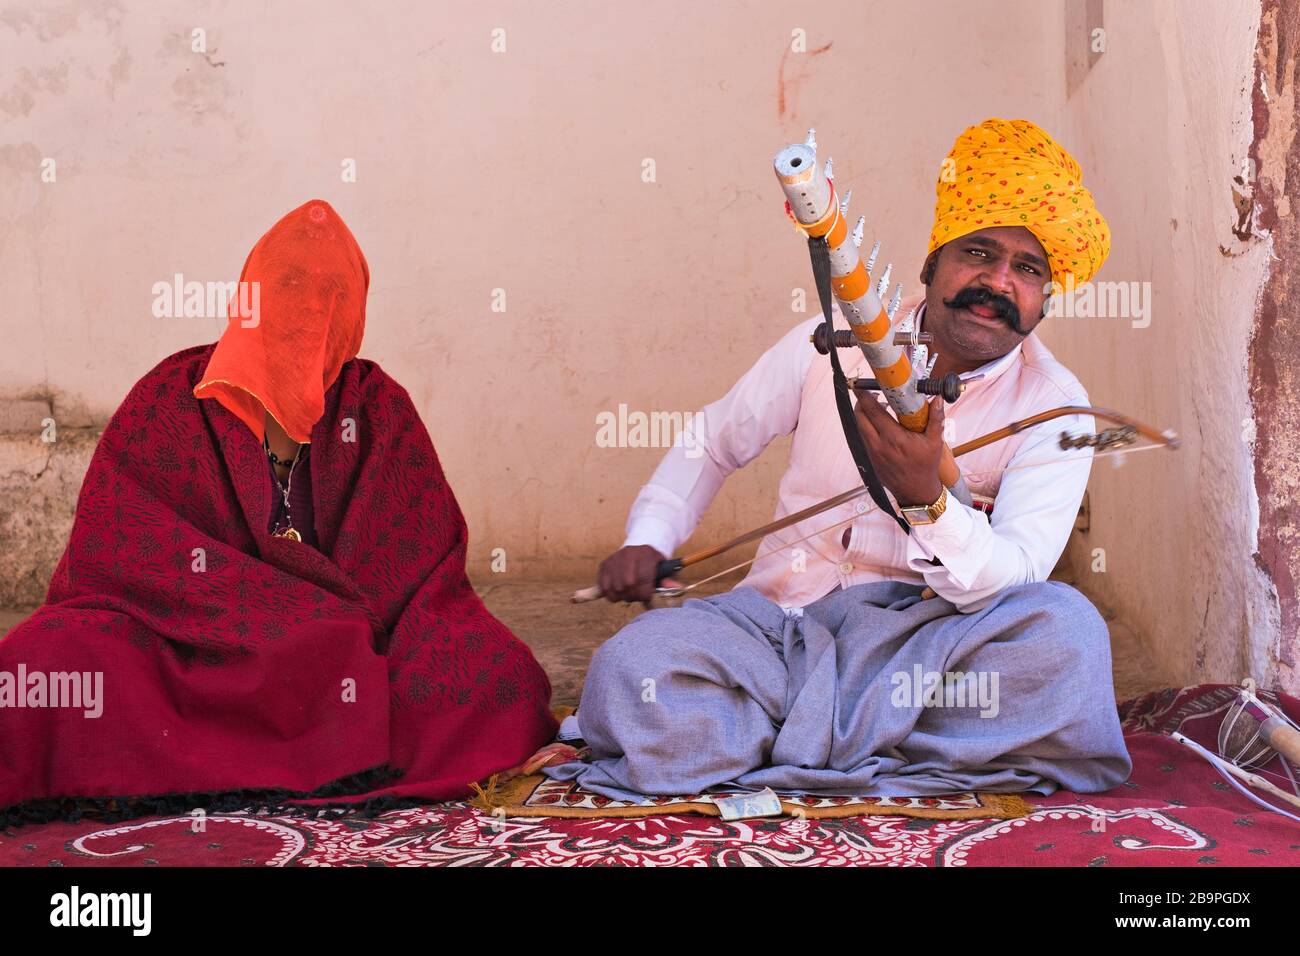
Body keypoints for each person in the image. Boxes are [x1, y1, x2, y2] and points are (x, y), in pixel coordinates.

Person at [544, 118, 1133, 802]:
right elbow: (713, 439)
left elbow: (1017, 577)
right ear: (932, 264)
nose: (998, 282)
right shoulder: (827, 344)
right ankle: (878, 753)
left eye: (1028, 270)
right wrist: (650, 535)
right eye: (979, 253)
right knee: (627, 668)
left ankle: (765, 742)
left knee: (1066, 635)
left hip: (927, 647)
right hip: (779, 634)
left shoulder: (1056, 406)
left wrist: (931, 502)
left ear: (1044, 298)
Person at [0, 199, 557, 822]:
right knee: (47, 658)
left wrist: (324, 627)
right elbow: (122, 551)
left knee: (493, 674)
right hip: (190, 646)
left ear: (348, 318)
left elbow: (420, 570)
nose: (301, 321)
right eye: (284, 296)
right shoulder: (169, 398)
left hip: (338, 656)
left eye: (323, 304)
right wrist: (268, 615)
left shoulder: (378, 410)